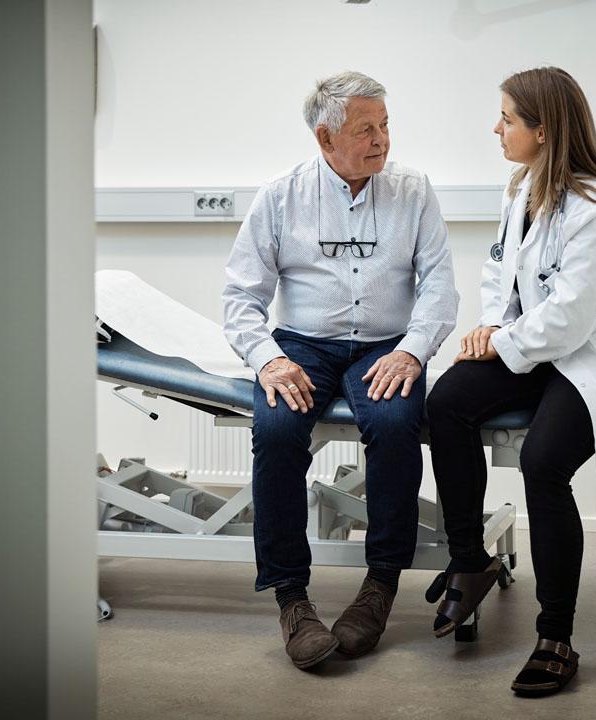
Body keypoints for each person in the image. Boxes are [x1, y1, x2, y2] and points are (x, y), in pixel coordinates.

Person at [425, 67, 596, 697]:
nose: (497, 129)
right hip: (538, 344)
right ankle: (470, 560)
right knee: (448, 402)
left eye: (508, 119)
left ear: (543, 130)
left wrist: (502, 342)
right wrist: (491, 324)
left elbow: (574, 318)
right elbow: (501, 271)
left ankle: (555, 636)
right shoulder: (521, 187)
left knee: (544, 464)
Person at [222, 71, 458, 670]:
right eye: (366, 130)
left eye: (385, 126)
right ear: (326, 139)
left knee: (397, 422)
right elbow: (240, 298)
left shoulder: (414, 190)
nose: (382, 140)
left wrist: (413, 350)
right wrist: (268, 360)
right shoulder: (281, 195)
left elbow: (438, 288)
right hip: (304, 343)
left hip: (386, 344)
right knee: (275, 430)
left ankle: (378, 587)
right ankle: (291, 599)